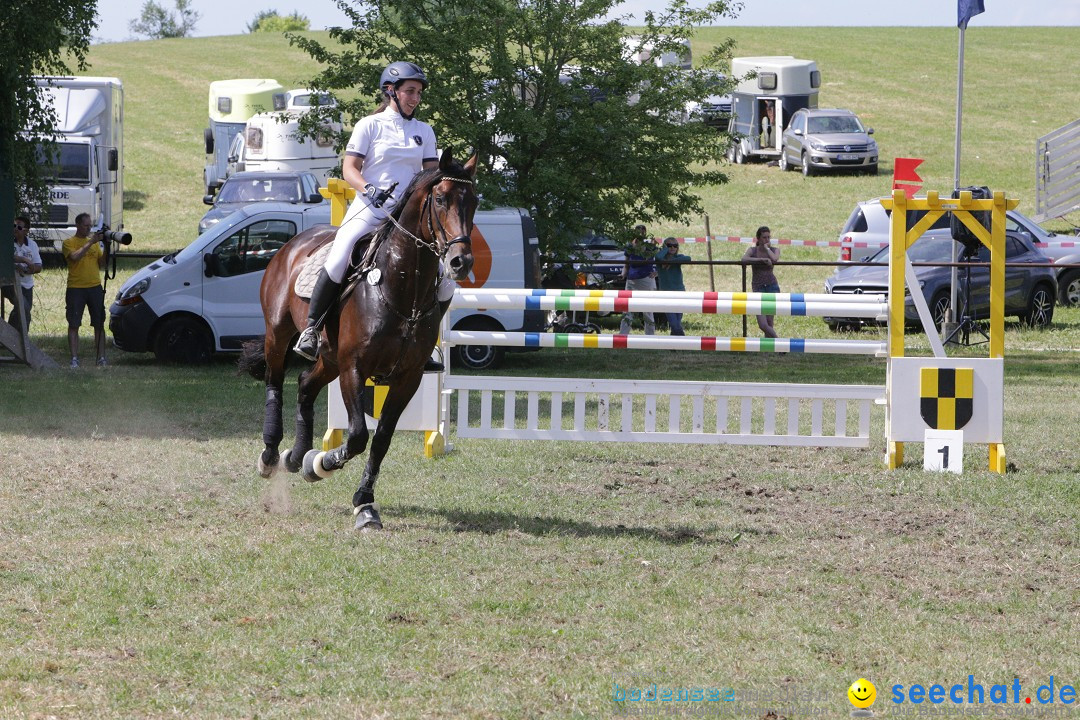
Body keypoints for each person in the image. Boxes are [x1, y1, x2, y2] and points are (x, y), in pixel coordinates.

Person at [294, 61, 451, 370]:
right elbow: (349, 168)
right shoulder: (370, 125)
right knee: (340, 254)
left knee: (447, 282)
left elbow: (431, 174)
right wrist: (368, 188)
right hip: (370, 208)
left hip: (408, 219)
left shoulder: (424, 131)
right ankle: (311, 330)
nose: (415, 98)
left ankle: (424, 342)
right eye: (410, 91)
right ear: (390, 91)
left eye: (418, 92)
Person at [63, 213, 108, 368]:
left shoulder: (95, 244)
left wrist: (107, 247)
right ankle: (74, 358)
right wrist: (90, 243)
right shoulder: (69, 242)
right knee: (74, 323)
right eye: (86, 225)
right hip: (76, 288)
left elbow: (101, 264)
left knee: (99, 323)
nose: (89, 228)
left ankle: (101, 357)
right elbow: (75, 257)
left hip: (95, 286)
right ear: (78, 225)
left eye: (90, 225)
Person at [1, 216, 42, 332]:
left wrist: (30, 269)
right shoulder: (7, 242)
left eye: (18, 227)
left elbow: (38, 266)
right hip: (9, 283)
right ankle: (24, 340)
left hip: (27, 284)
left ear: (26, 231)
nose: (15, 229)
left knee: (22, 309)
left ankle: (11, 337)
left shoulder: (32, 245)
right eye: (14, 226)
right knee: (23, 307)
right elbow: (6, 257)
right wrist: (23, 260)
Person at [618, 225, 657, 335]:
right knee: (627, 310)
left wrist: (656, 271)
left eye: (642, 232)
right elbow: (626, 264)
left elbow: (660, 259)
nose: (640, 234)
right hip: (631, 281)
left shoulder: (650, 246)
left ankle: (650, 336)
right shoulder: (629, 247)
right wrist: (623, 274)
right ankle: (623, 335)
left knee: (648, 310)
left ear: (645, 233)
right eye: (637, 232)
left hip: (646, 280)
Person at [742, 226, 780, 339]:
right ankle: (780, 343)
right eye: (764, 237)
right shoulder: (753, 250)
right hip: (758, 287)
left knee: (769, 322)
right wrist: (760, 260)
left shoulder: (774, 250)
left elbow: (775, 259)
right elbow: (744, 259)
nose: (767, 240)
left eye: (768, 237)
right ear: (758, 238)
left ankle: (769, 348)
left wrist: (767, 249)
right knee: (762, 324)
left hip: (772, 286)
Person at [654, 237, 690, 335]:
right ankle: (681, 339)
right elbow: (658, 257)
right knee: (673, 322)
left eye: (675, 245)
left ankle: (674, 344)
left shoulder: (678, 258)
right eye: (669, 245)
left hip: (680, 291)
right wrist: (665, 249)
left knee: (677, 319)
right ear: (665, 246)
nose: (672, 247)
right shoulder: (660, 260)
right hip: (666, 293)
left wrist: (672, 261)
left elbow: (688, 259)